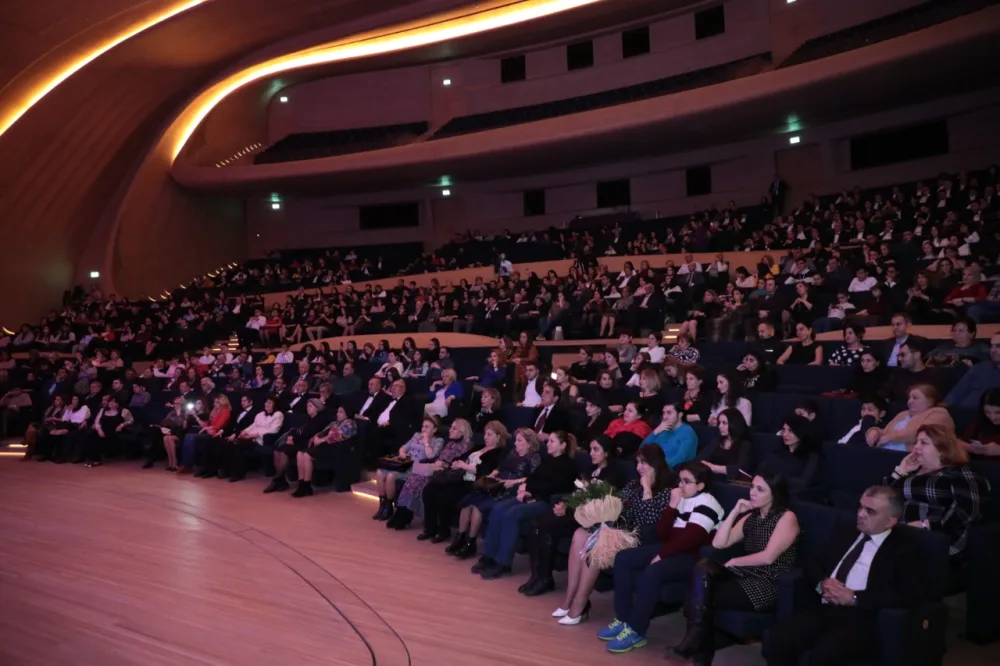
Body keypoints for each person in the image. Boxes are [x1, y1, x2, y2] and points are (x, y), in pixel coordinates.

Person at [763, 486, 926, 666]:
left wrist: (854, 598)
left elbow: (909, 594)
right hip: (825, 606)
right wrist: (822, 584)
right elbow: (814, 563)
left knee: (825, 654)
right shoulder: (847, 531)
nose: (861, 514)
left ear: (890, 522)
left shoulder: (905, 547)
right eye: (860, 507)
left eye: (870, 511)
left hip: (862, 616)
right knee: (776, 638)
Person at [667, 471, 800, 665]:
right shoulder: (751, 517)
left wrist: (736, 561)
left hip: (768, 581)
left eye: (760, 489)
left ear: (775, 493)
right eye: (752, 487)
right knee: (703, 568)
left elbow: (768, 557)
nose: (752, 493)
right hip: (744, 575)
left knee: (699, 598)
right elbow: (719, 543)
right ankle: (696, 648)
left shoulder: (787, 517)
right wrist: (735, 511)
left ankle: (698, 652)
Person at [601, 461, 725, 653]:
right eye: (679, 480)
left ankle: (636, 630)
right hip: (673, 548)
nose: (680, 485)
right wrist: (672, 507)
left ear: (700, 485)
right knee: (623, 558)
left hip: (694, 556)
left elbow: (690, 539)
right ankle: (624, 619)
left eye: (686, 481)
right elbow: (663, 534)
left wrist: (661, 555)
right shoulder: (681, 498)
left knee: (653, 571)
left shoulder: (708, 503)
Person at [553, 444, 675, 626]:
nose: (639, 467)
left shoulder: (666, 491)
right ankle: (569, 599)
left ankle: (578, 605)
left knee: (600, 542)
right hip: (619, 529)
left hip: (640, 538)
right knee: (580, 534)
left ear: (656, 464)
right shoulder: (634, 484)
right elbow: (617, 506)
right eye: (638, 462)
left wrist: (647, 491)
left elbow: (650, 524)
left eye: (644, 463)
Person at [519, 436, 628, 597]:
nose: (591, 453)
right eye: (590, 449)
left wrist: (568, 510)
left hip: (594, 520)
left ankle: (545, 579)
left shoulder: (614, 473)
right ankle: (538, 576)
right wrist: (566, 505)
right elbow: (576, 494)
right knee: (537, 522)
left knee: (548, 527)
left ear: (606, 452)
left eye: (596, 450)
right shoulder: (590, 470)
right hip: (577, 514)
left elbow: (600, 503)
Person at [476, 431, 579, 580]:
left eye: (552, 441)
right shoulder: (548, 460)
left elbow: (554, 487)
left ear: (562, 446)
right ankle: (489, 555)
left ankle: (503, 562)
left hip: (546, 501)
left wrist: (530, 489)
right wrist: (526, 487)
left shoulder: (567, 465)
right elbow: (534, 477)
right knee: (498, 508)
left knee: (512, 514)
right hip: (532, 496)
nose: (548, 444)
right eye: (548, 441)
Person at [884, 425, 990, 560]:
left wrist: (926, 524)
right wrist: (901, 470)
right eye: (916, 442)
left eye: (923, 442)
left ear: (942, 449)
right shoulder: (912, 472)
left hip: (936, 540)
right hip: (899, 535)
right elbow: (882, 499)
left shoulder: (962, 474)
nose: (916, 447)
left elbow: (966, 513)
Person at [429, 420, 510, 558]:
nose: (486, 437)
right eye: (485, 434)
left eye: (490, 435)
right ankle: (460, 537)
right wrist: (456, 463)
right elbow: (461, 457)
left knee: (464, 501)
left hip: (475, 484)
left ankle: (469, 542)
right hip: (462, 479)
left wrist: (464, 466)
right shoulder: (479, 447)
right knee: (434, 490)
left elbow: (485, 472)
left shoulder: (498, 452)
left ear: (498, 437)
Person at [460, 428, 541, 564]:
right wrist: (492, 474)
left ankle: (471, 543)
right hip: (498, 485)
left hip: (512, 489)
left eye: (520, 441)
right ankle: (462, 538)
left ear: (529, 442)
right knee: (469, 501)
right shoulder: (513, 453)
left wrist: (513, 482)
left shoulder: (534, 457)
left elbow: (532, 478)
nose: (516, 444)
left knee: (479, 506)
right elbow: (501, 467)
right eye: (516, 440)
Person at [373, 415, 445, 523]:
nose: (423, 429)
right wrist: (403, 455)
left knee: (391, 476)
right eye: (423, 426)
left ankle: (389, 507)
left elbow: (431, 456)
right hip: (405, 465)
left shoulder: (438, 441)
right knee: (379, 472)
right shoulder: (416, 435)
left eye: (427, 427)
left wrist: (426, 442)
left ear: (435, 429)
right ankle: (382, 504)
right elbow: (402, 448)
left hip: (416, 469)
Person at [415, 419, 475, 542]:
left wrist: (443, 464)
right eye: (451, 427)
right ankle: (430, 529)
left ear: (462, 432)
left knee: (443, 496)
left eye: (454, 428)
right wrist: (438, 464)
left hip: (457, 480)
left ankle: (444, 531)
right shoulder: (450, 443)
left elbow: (458, 465)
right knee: (428, 491)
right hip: (442, 475)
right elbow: (440, 458)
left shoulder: (467, 446)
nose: (450, 430)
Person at [263, 399, 328, 494]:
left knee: (284, 451)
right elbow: (295, 430)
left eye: (310, 406)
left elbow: (307, 432)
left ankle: (277, 479)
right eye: (307, 406)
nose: (307, 408)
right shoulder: (307, 418)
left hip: (307, 445)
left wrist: (295, 434)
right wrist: (291, 436)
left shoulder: (320, 419)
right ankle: (280, 480)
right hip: (298, 442)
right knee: (277, 450)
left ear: (317, 408)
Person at [292, 405, 357, 497]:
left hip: (335, 449)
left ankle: (307, 485)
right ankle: (301, 484)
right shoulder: (335, 423)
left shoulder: (350, 423)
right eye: (337, 411)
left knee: (307, 455)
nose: (337, 414)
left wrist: (322, 440)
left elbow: (340, 437)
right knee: (300, 453)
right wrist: (317, 437)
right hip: (323, 447)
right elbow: (322, 432)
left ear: (347, 413)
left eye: (341, 412)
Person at [865, 384, 954, 451]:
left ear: (930, 401)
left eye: (915, 398)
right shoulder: (903, 414)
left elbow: (925, 434)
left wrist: (891, 437)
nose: (909, 401)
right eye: (909, 398)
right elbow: (885, 432)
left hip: (911, 456)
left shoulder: (939, 413)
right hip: (884, 451)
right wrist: (875, 431)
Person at [759, 415, 820, 496]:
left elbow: (803, 484)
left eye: (790, 431)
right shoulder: (776, 453)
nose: (785, 434)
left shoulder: (811, 457)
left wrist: (778, 479)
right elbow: (760, 472)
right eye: (784, 430)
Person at [945, 333, 1000, 408]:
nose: (993, 350)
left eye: (998, 346)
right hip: (960, 411)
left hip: (987, 414)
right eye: (991, 346)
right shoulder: (979, 368)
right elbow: (956, 393)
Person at [697, 408, 752, 480]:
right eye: (719, 422)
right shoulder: (718, 440)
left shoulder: (745, 444)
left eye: (724, 423)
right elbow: (700, 458)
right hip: (712, 479)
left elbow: (741, 469)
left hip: (731, 483)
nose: (720, 426)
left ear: (734, 424)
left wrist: (714, 468)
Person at [641, 402, 698, 468]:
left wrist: (657, 468)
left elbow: (681, 458)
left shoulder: (688, 433)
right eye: (663, 413)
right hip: (652, 466)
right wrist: (655, 433)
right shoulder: (663, 430)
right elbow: (642, 450)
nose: (664, 417)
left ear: (680, 415)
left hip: (670, 471)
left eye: (669, 413)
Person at [965, 388, 1000, 458]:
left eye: (998, 412)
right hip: (979, 463)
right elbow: (964, 441)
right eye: (987, 412)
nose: (992, 417)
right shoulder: (981, 421)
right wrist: (972, 448)